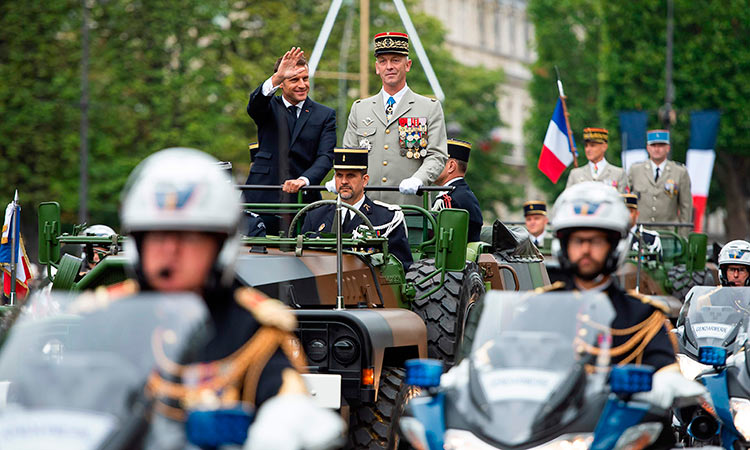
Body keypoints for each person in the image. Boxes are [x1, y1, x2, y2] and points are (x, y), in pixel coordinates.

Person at [117, 148, 343, 449]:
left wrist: (283, 420)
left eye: (190, 238)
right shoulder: (106, 318)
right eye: (157, 236)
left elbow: (286, 392)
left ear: (221, 243)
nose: (170, 252)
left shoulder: (252, 329)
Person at [548, 182, 675, 369]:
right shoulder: (541, 307)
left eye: (596, 241)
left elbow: (664, 368)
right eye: (577, 241)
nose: (585, 249)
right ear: (563, 245)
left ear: (615, 246)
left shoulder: (643, 316)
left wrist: (666, 380)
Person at [342, 32, 448, 206]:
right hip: (365, 208)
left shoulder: (429, 108)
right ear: (377, 67)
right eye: (383, 61)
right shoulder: (360, 108)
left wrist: (419, 179)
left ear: (408, 65)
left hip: (409, 207)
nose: (389, 66)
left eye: (395, 60)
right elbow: (350, 156)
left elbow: (436, 155)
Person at [245, 47, 336, 234]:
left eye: (305, 78)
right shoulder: (268, 107)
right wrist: (276, 77)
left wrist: (304, 180)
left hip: (302, 201)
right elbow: (254, 105)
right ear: (282, 84)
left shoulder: (325, 114)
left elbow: (326, 156)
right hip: (263, 196)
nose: (302, 85)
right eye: (294, 79)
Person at [302, 148, 413, 271]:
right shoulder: (315, 216)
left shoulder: (386, 219)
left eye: (350, 176)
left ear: (364, 180)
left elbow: (402, 267)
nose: (344, 181)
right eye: (339, 175)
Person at [627, 129, 692, 235]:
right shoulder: (635, 170)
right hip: (640, 232)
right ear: (648, 148)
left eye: (661, 145)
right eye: (653, 145)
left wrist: (682, 235)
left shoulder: (679, 172)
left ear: (668, 148)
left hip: (668, 233)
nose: (657, 149)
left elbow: (686, 206)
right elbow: (627, 201)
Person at [431, 139, 483, 242]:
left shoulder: (451, 199)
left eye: (436, 162)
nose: (430, 167)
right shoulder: (461, 193)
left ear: (451, 166)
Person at [566, 127, 628, 193]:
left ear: (604, 147)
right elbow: (567, 200)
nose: (588, 149)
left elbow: (624, 201)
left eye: (592, 146)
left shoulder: (618, 174)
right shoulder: (575, 174)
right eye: (586, 146)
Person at [622, 193, 662, 258]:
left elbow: (656, 266)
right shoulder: (608, 238)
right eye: (622, 211)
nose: (626, 215)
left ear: (637, 214)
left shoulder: (651, 239)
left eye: (630, 212)